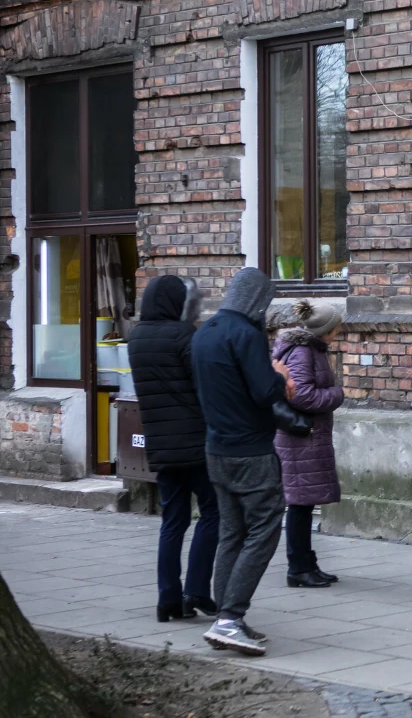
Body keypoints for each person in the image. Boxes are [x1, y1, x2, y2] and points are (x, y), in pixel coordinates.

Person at [192, 267, 294, 656]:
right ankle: (230, 619)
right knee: (264, 529)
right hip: (251, 450)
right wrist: (279, 374)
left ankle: (226, 617)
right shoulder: (246, 336)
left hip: (215, 448)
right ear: (257, 301)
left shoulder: (205, 332)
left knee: (231, 533)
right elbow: (263, 392)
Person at [128, 274, 219, 624]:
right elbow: (202, 386)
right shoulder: (184, 335)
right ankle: (196, 590)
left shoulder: (137, 337)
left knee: (172, 521)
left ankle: (167, 598)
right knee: (212, 512)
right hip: (195, 442)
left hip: (161, 445)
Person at [273, 300, 345, 589]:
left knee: (303, 504)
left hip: (306, 437)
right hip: (300, 438)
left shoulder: (308, 349)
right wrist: (336, 395)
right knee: (300, 506)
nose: (339, 331)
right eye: (336, 326)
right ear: (325, 329)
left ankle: (307, 563)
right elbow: (301, 395)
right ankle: (298, 569)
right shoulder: (303, 352)